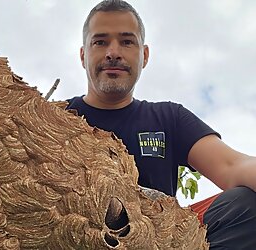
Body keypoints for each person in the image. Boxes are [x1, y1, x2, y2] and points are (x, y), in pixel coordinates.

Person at [66, 0, 256, 249]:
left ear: (144, 55)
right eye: (100, 42)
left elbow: (232, 165)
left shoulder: (169, 118)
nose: (113, 52)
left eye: (127, 41)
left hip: (161, 243)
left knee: (246, 204)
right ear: (83, 55)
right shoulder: (53, 117)